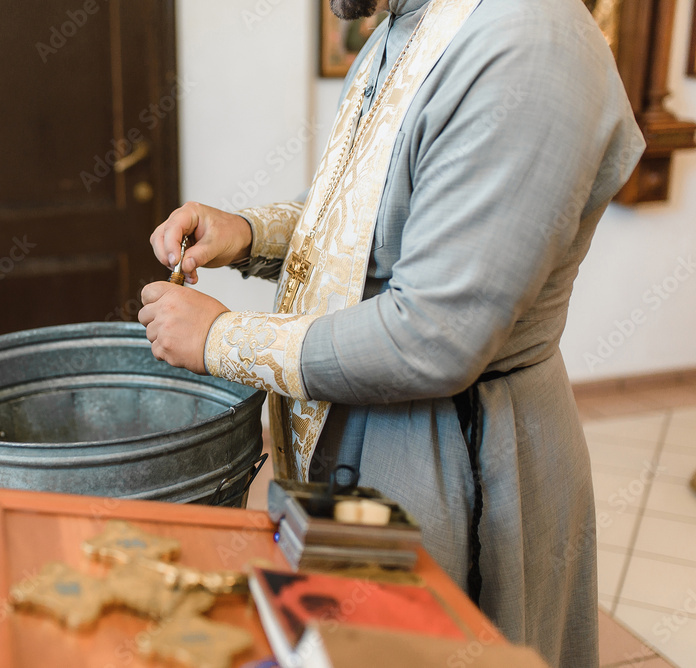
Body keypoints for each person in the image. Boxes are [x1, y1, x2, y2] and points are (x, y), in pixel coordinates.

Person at [138, 0, 645, 665]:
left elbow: (436, 336)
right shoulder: (404, 24)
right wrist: (249, 233)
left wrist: (221, 339)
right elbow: (371, 218)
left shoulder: (529, 43)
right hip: (356, 439)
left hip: (454, 455)